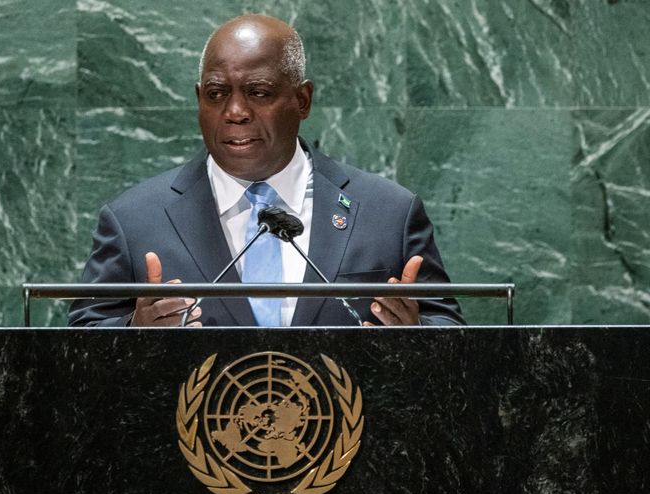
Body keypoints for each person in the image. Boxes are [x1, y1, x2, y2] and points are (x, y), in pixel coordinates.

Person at [68, 14, 464, 328]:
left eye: (258, 93)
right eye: (216, 94)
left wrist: (416, 336)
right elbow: (80, 345)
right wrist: (134, 332)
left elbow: (451, 332)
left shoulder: (388, 213)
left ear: (302, 100)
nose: (235, 113)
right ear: (198, 100)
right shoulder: (134, 220)